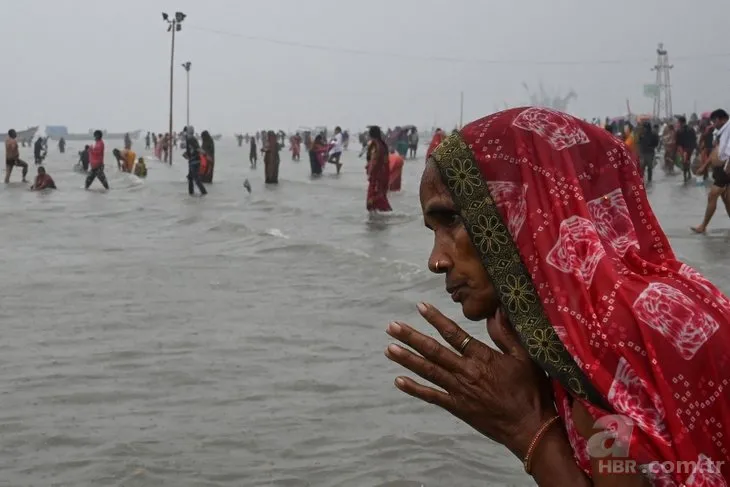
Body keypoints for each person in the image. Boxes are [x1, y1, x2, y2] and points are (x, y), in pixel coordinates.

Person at [386, 107, 730, 486]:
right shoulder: (668, 294)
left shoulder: (603, 343)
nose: (436, 261)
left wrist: (527, 429)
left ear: (523, 208)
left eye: (450, 221)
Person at [692, 109, 730, 234]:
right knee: (726, 198)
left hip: (726, 168)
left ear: (723, 119)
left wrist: (727, 168)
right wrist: (705, 166)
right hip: (720, 169)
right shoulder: (718, 132)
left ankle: (703, 226)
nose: (714, 123)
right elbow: (716, 151)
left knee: (712, 195)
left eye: (715, 121)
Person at [365, 126, 391, 212]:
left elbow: (374, 161)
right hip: (384, 175)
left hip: (377, 176)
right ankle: (380, 222)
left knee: (372, 201)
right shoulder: (382, 144)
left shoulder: (375, 145)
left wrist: (370, 172)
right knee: (380, 197)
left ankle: (376, 221)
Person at [182, 126, 207, 196]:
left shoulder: (190, 139)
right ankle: (191, 193)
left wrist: (204, 153)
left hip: (194, 161)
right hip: (192, 160)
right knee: (190, 177)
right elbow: (191, 148)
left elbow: (197, 148)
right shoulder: (190, 138)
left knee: (196, 178)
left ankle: (204, 192)